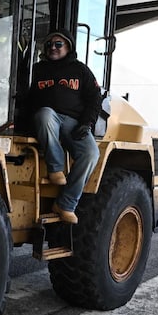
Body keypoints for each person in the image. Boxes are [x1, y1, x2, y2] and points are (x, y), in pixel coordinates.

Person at [17, 30, 101, 224]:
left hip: (73, 122)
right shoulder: (37, 70)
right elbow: (24, 97)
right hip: (47, 119)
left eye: (58, 44)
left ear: (68, 47)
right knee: (45, 113)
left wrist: (87, 123)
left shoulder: (80, 70)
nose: (52, 48)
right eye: (49, 45)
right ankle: (55, 169)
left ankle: (66, 204)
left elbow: (95, 98)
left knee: (91, 154)